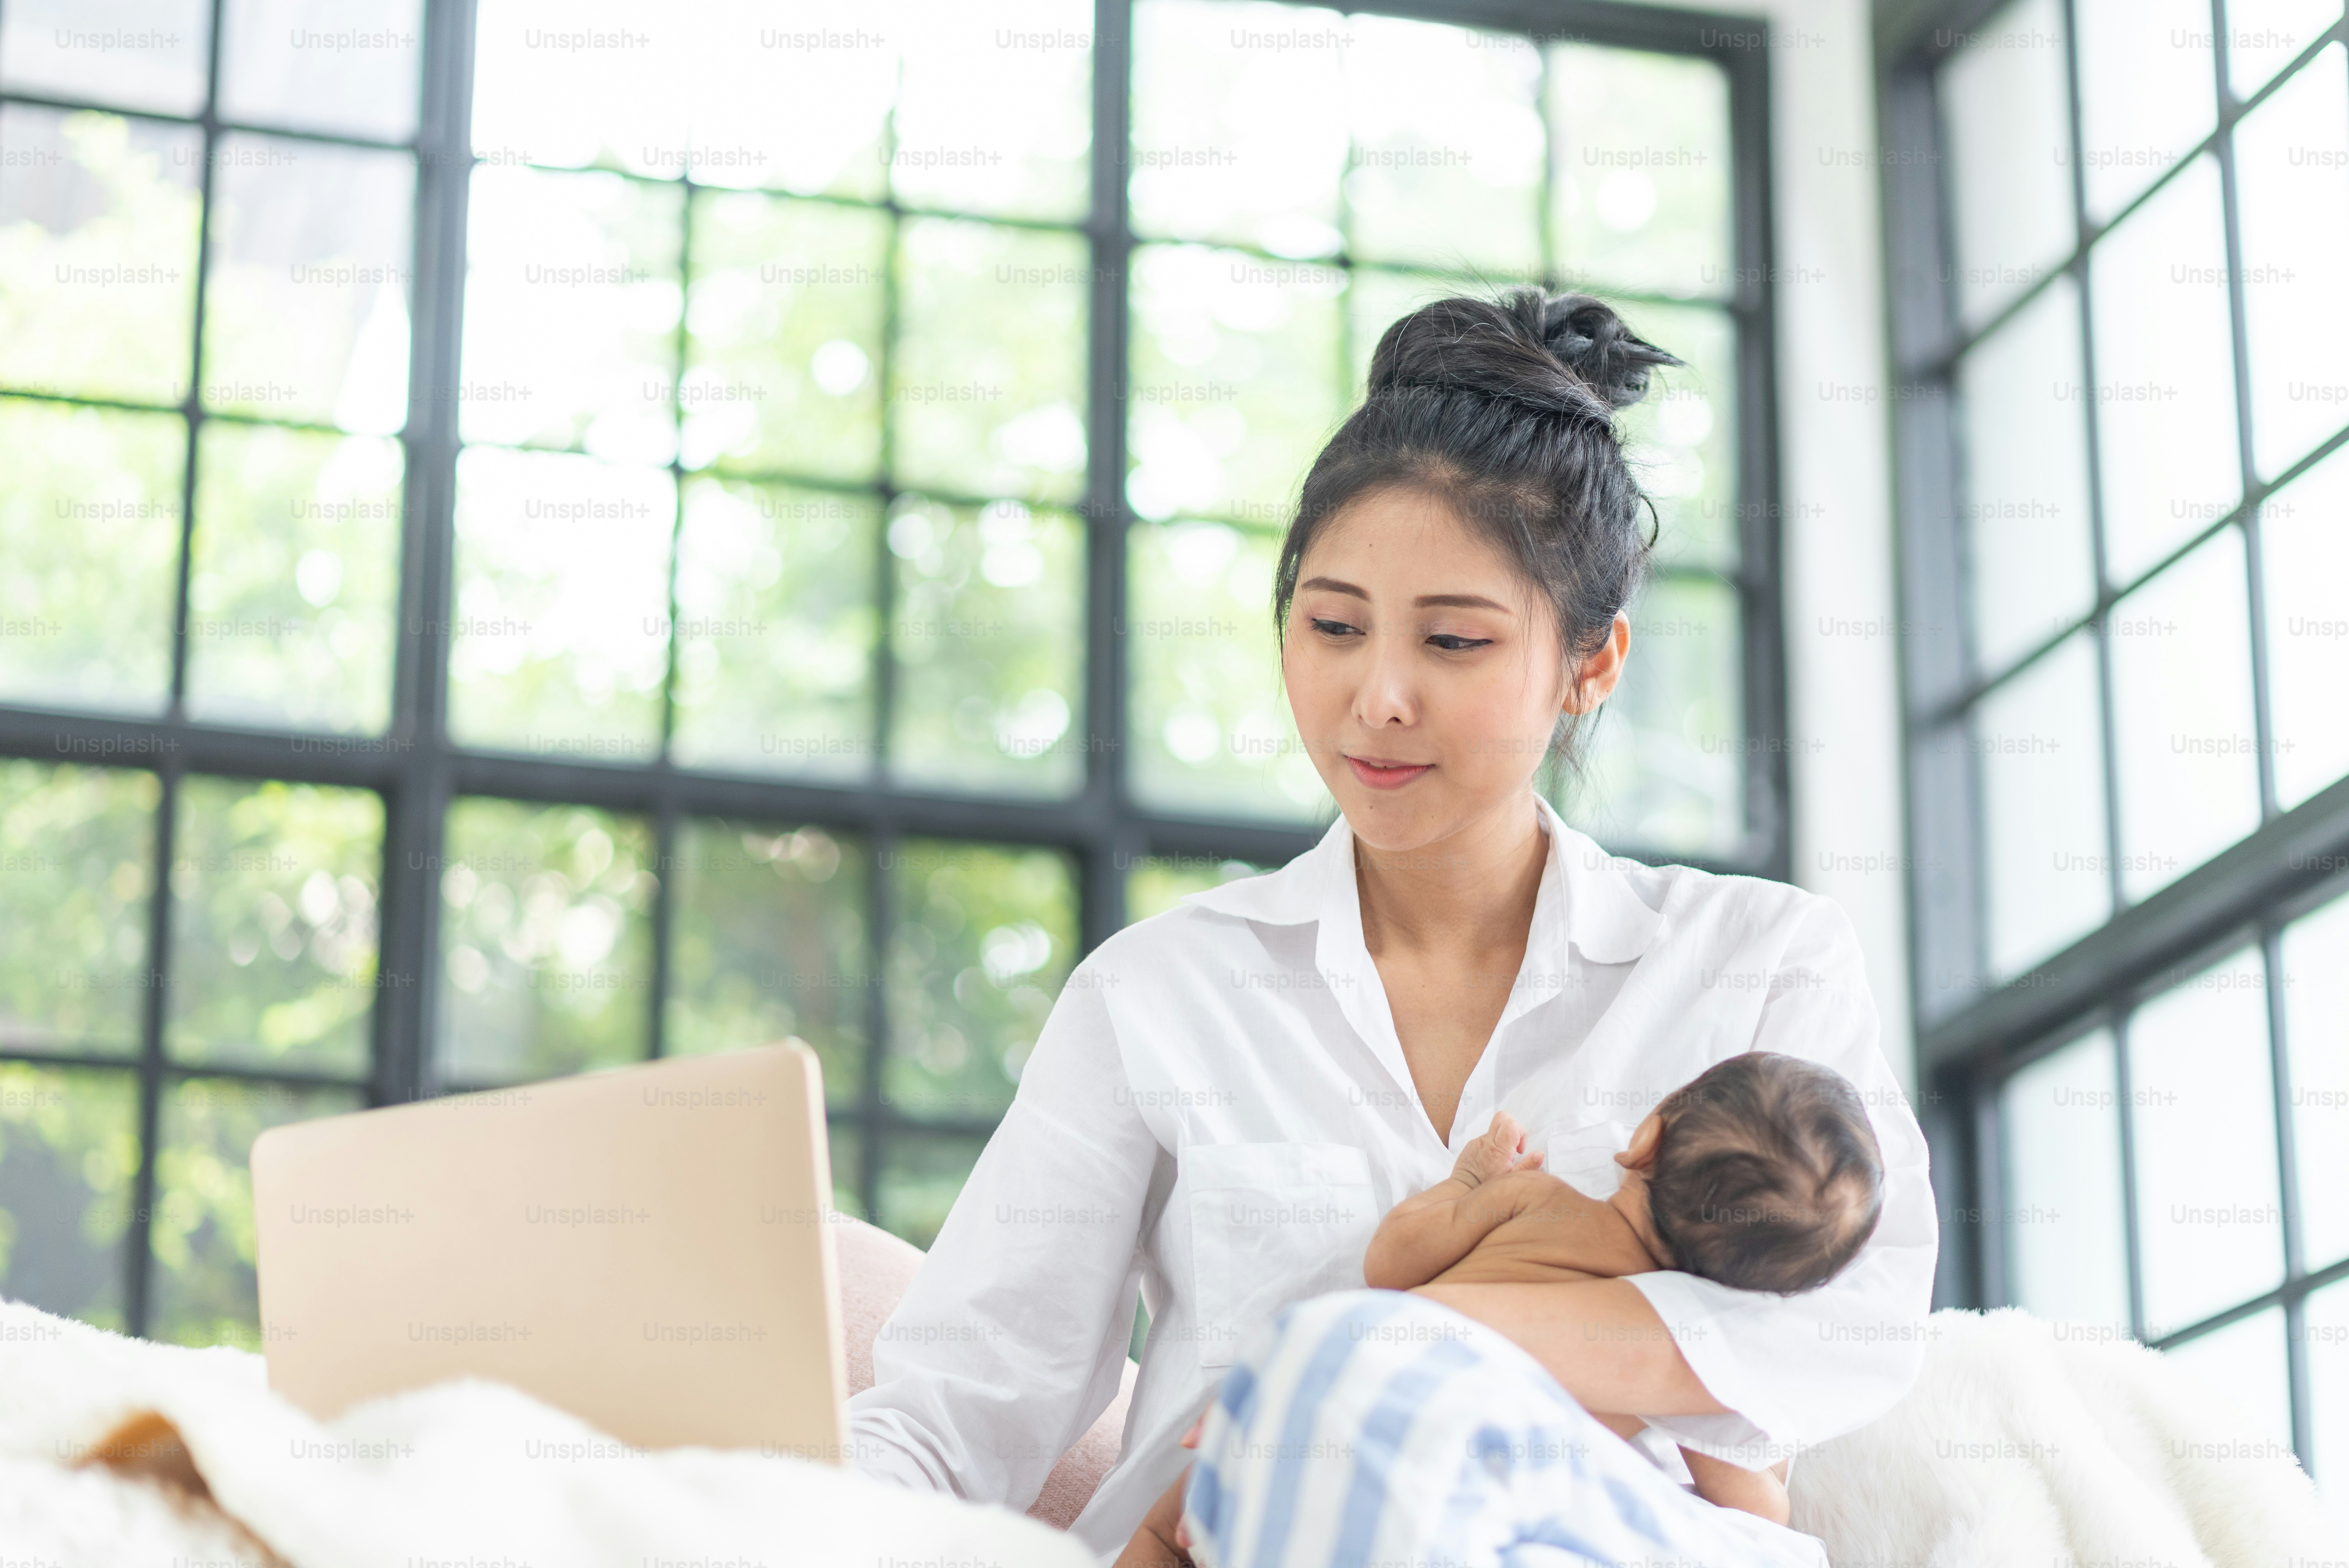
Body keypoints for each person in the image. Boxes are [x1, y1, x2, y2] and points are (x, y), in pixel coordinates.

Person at [847, 287, 1939, 1566]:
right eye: (1330, 625)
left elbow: (1848, 1318)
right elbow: (952, 1411)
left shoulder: (1754, 959)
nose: (1376, 698)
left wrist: (1388, 1351)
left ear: (1589, 664)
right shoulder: (1157, 993)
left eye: (1455, 640)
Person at [1362, 1051, 1890, 1527]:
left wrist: (1469, 1181)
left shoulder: (1532, 1197)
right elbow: (1758, 1513)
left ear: (1646, 1141)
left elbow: (1389, 1264)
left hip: (1377, 1397)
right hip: (1474, 1504)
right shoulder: (1690, 1356)